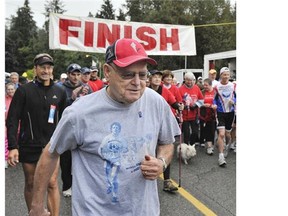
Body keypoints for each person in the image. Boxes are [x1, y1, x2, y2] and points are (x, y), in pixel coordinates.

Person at [29, 38, 181, 216]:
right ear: (107, 72)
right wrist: (37, 206)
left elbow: (167, 142)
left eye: (143, 74)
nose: (138, 82)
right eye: (128, 75)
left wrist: (161, 162)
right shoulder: (79, 113)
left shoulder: (155, 101)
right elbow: (51, 153)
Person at [6, 53, 67, 215]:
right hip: (29, 144)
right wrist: (13, 146)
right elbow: (12, 119)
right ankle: (34, 213)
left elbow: (66, 119)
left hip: (51, 145)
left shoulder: (59, 92)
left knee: (52, 183)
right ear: (35, 69)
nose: (46, 71)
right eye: (42, 67)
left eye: (49, 67)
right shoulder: (23, 91)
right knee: (31, 183)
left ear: (52, 70)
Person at [148, 69, 183, 192]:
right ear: (149, 79)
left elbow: (173, 103)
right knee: (149, 152)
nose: (157, 79)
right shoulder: (145, 90)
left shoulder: (165, 91)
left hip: (162, 125)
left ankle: (167, 181)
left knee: (165, 151)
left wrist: (179, 106)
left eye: (159, 77)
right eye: (154, 76)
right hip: (147, 125)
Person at [213, 67, 236, 167]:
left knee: (228, 134)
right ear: (220, 75)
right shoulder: (216, 86)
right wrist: (214, 104)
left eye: (227, 75)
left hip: (230, 112)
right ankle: (221, 157)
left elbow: (237, 97)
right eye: (224, 74)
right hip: (220, 112)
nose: (226, 76)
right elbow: (214, 98)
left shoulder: (233, 86)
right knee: (221, 134)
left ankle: (227, 146)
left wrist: (234, 102)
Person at [178, 72, 204, 146]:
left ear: (194, 80)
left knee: (195, 132)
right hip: (185, 115)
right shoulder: (180, 89)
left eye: (191, 80)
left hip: (194, 114)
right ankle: (186, 147)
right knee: (186, 133)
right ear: (185, 80)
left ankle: (192, 145)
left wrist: (196, 105)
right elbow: (178, 101)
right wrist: (184, 106)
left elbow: (201, 99)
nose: (190, 82)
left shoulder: (196, 87)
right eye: (188, 80)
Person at [198, 78, 217, 155]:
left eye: (206, 85)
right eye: (204, 85)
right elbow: (198, 102)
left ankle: (211, 145)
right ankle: (209, 146)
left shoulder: (215, 92)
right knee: (206, 130)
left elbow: (218, 102)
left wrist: (212, 106)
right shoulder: (202, 92)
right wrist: (203, 105)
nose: (205, 87)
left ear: (210, 85)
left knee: (212, 130)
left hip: (213, 114)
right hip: (204, 114)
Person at [5, 82, 17, 168]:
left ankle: (16, 156)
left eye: (12, 89)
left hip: (18, 122)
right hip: (7, 123)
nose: (10, 91)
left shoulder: (18, 98)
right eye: (8, 89)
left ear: (15, 89)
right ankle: (6, 158)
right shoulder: (5, 99)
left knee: (17, 139)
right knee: (7, 140)